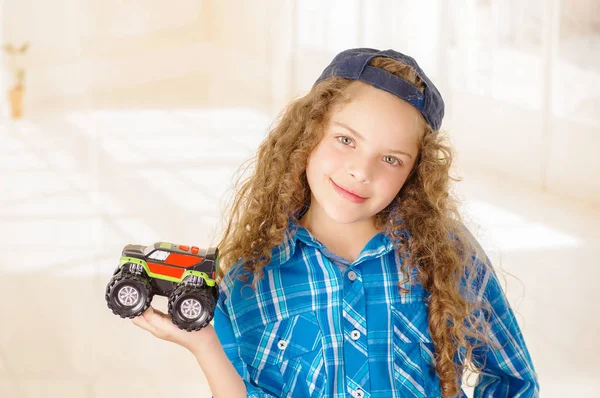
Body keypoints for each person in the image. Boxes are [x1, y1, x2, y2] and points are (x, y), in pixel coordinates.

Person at [132, 48, 540, 397]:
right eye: (346, 140)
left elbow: (513, 378)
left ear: (415, 172)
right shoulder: (251, 277)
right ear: (307, 136)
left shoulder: (446, 254)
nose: (362, 171)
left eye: (391, 159)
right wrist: (205, 345)